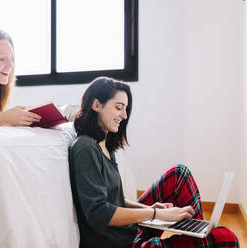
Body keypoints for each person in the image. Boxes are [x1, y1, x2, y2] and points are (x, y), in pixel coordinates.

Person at [68, 77, 239, 248]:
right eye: (119, 107)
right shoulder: (86, 148)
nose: (125, 115)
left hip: (129, 232)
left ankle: (198, 234)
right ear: (96, 105)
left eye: (126, 109)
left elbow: (115, 199)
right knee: (227, 237)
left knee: (179, 174)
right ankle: (200, 240)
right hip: (119, 243)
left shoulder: (105, 146)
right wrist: (157, 214)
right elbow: (98, 213)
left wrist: (147, 209)